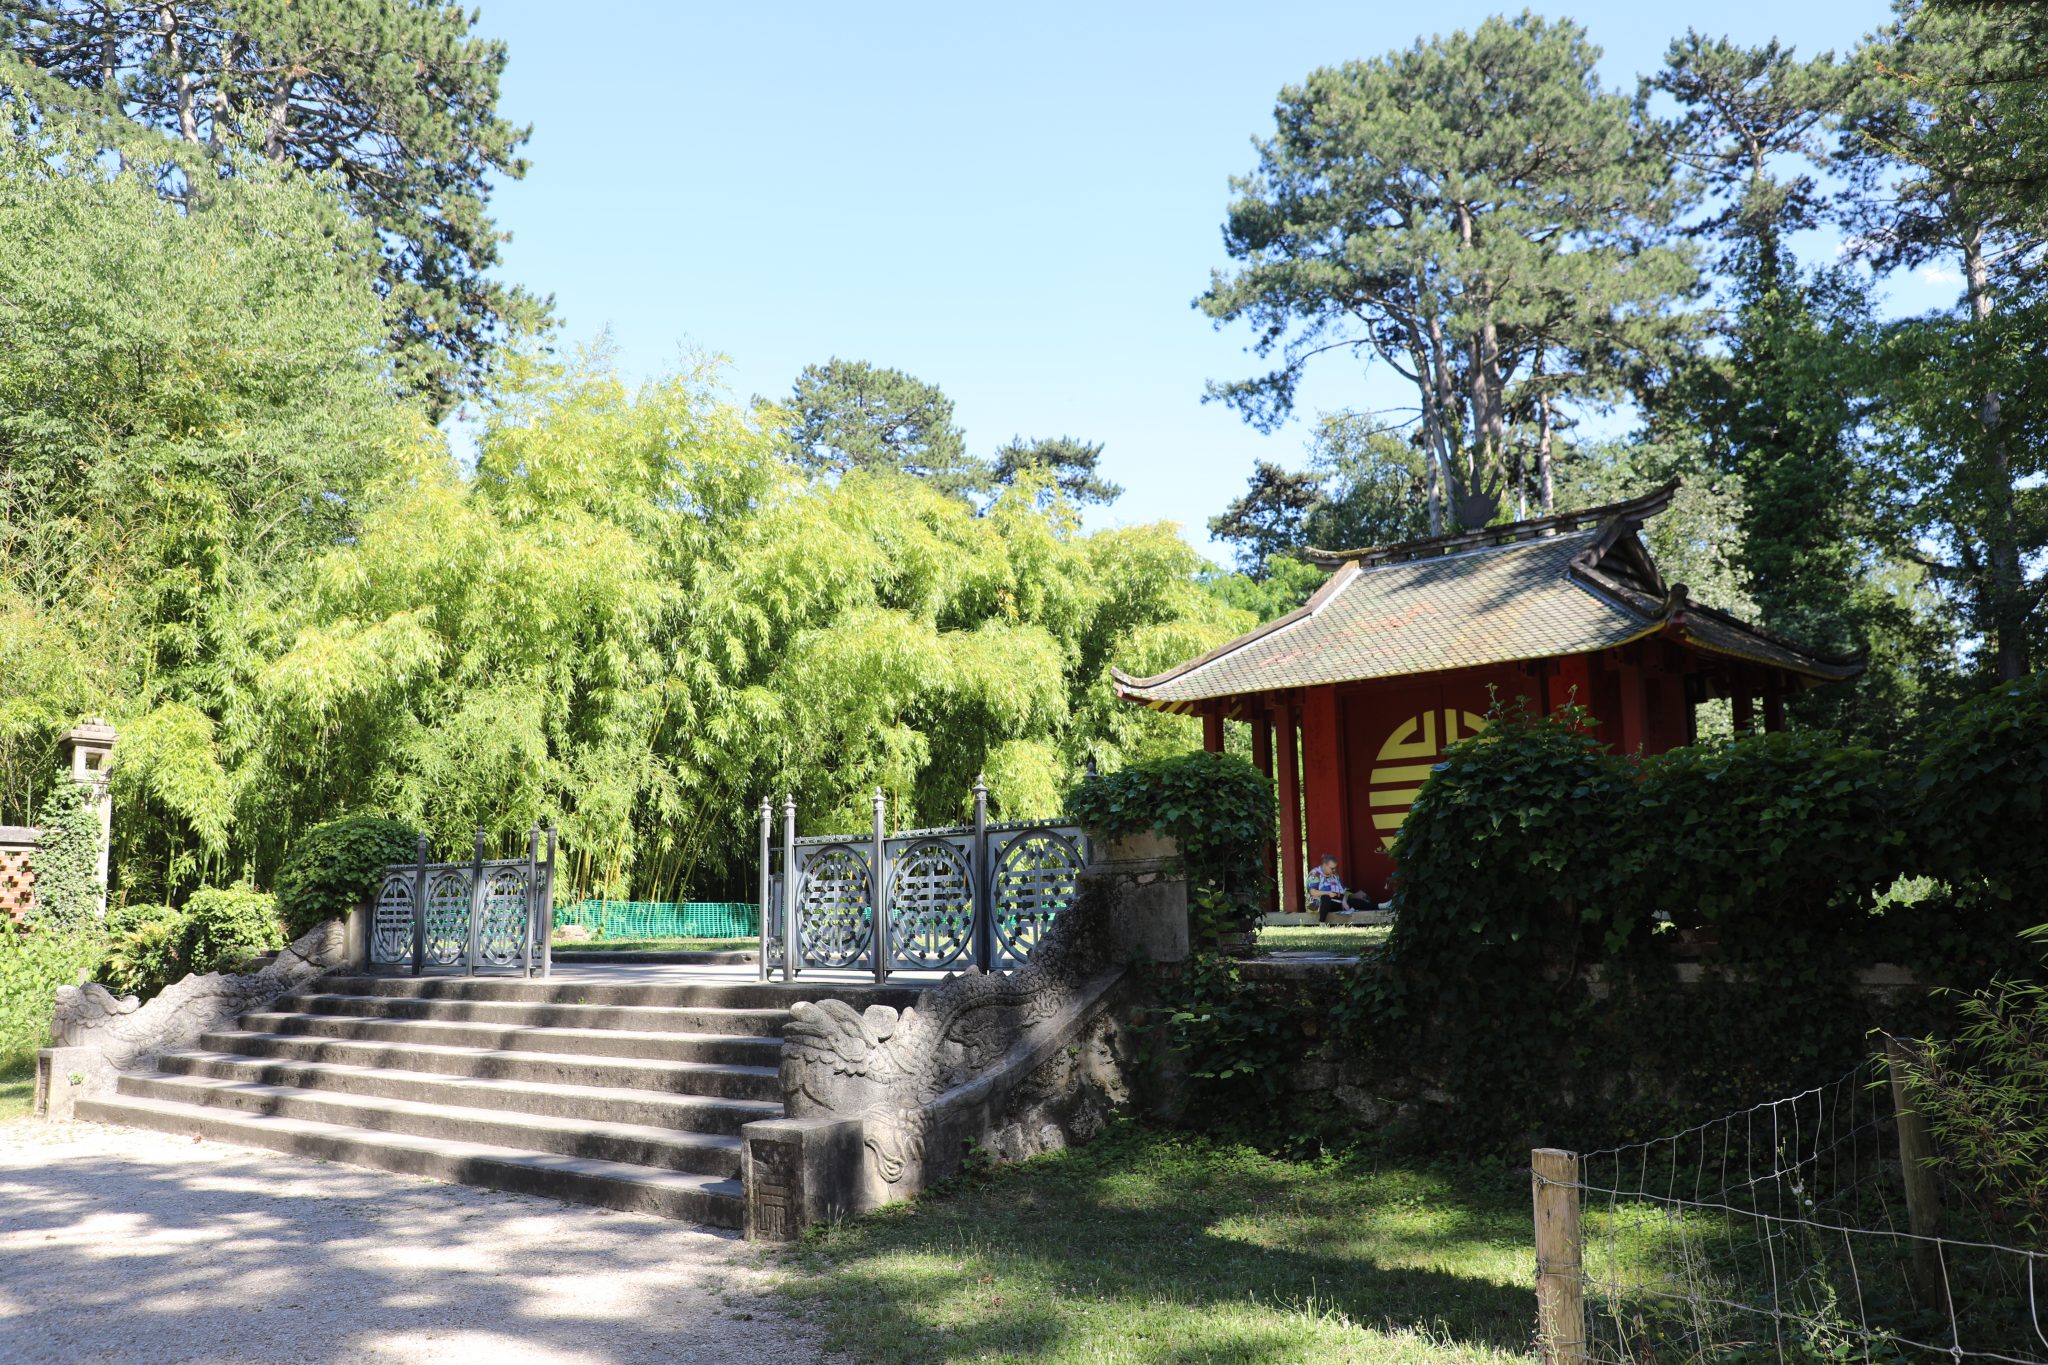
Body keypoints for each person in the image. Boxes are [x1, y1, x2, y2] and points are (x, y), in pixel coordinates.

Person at [1306, 854, 1372, 921]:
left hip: (1336, 901)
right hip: (1319, 903)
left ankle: (1378, 906)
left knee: (1355, 902)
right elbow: (1312, 892)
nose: (1334, 870)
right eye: (1332, 868)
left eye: (1335, 868)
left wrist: (1345, 899)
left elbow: (1343, 891)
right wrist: (1328, 893)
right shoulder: (1315, 874)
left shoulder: (1335, 875)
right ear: (1325, 865)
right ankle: (1322, 922)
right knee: (1326, 898)